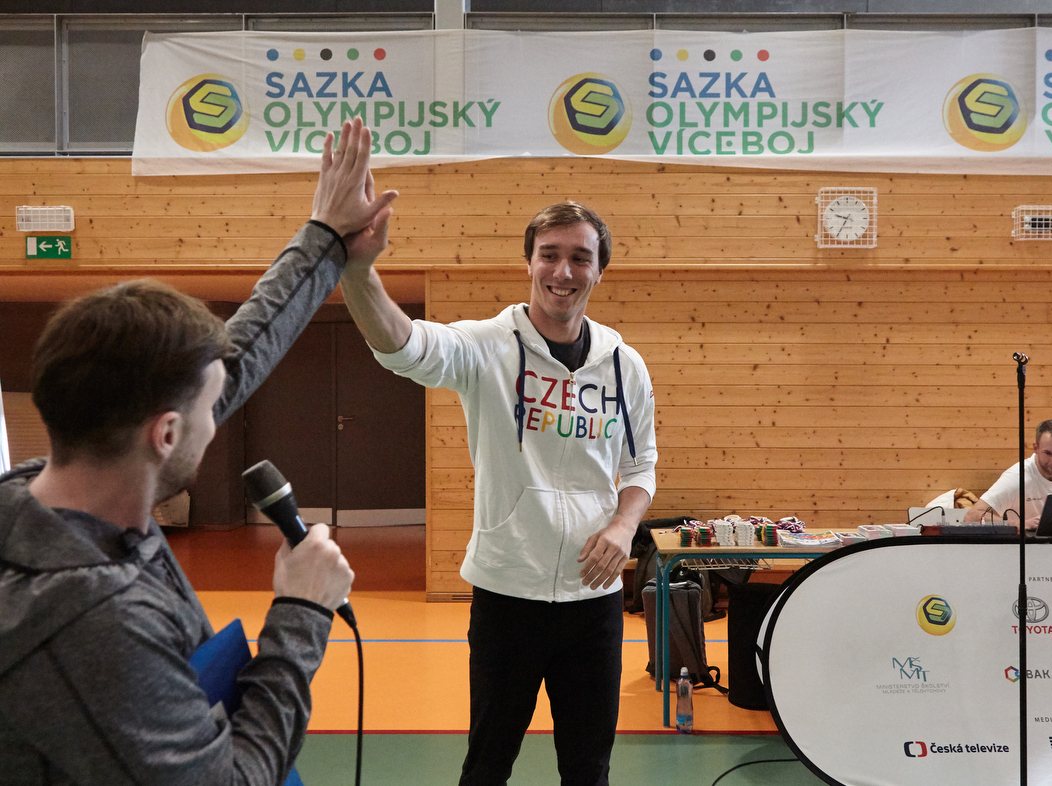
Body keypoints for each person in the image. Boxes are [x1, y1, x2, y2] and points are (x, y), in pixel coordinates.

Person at [0, 118, 397, 785]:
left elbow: (233, 362)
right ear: (165, 435)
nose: (217, 419)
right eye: (209, 412)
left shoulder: (44, 499)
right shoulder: (93, 622)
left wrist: (325, 240)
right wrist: (301, 616)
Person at [340, 201, 657, 786]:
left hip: (594, 600)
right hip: (508, 594)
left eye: (580, 257)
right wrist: (357, 271)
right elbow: (403, 346)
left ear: (599, 270)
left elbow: (641, 466)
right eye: (549, 255)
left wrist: (621, 525)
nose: (563, 271)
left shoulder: (624, 366)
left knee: (589, 769)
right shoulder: (485, 346)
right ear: (529, 263)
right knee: (487, 766)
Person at [964, 418, 1052, 530]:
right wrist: (1018, 524)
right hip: (1021, 547)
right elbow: (972, 516)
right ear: (1036, 448)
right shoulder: (1017, 477)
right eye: (1048, 453)